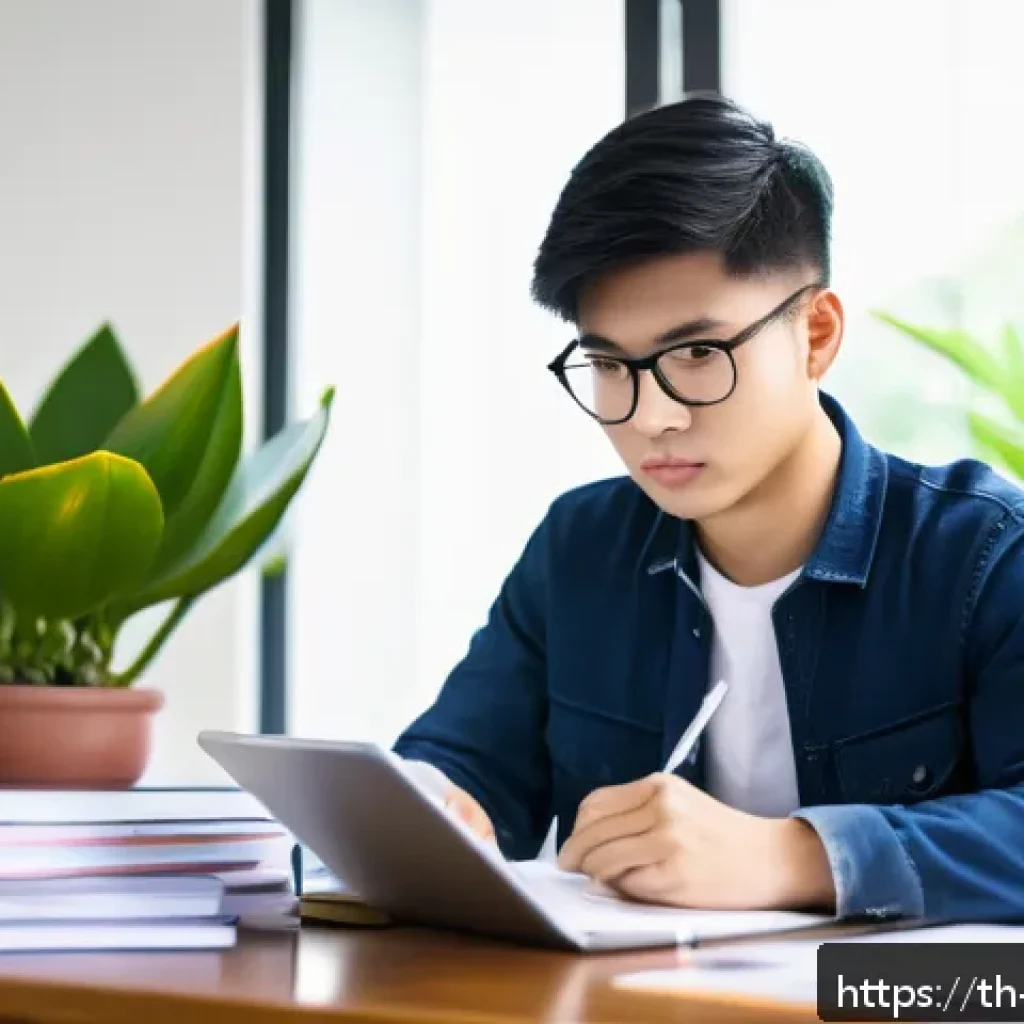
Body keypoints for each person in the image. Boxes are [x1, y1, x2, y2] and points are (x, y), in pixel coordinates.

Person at [393, 93, 1024, 921]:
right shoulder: (580, 549)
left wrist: (794, 857)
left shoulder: (983, 556)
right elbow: (460, 766)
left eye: (696, 352)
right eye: (610, 365)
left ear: (817, 334)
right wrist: (433, 811)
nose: (652, 416)